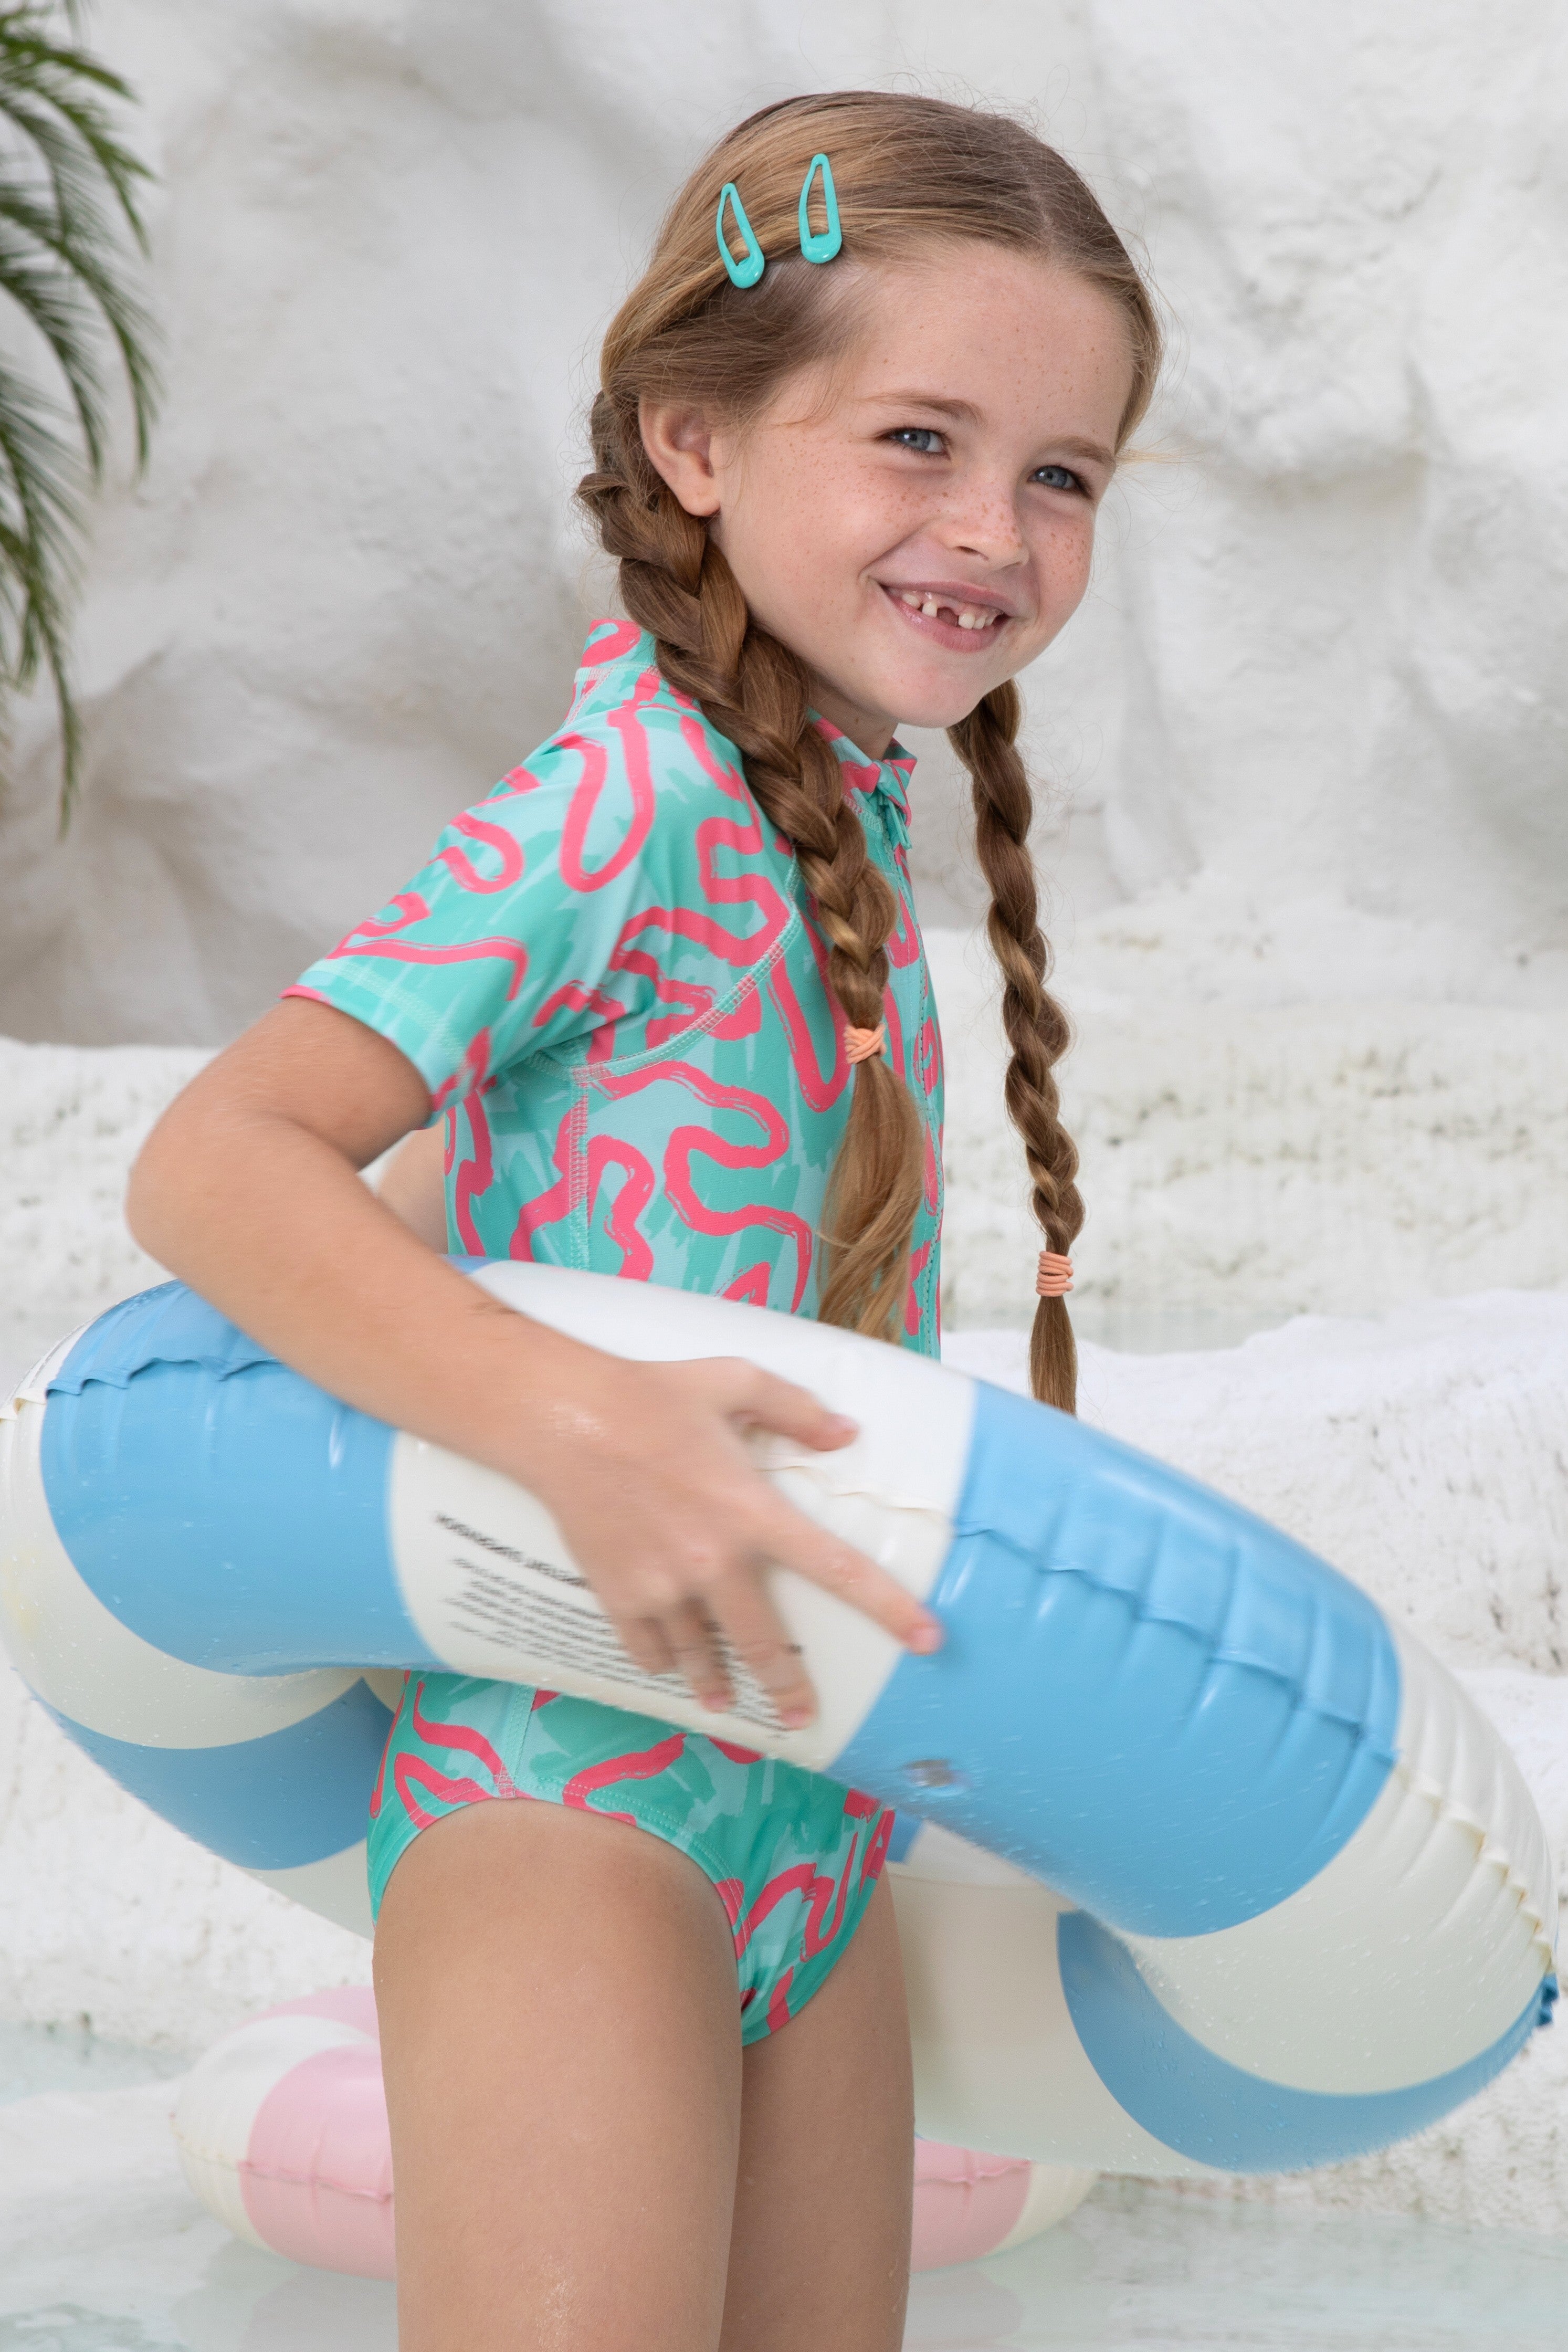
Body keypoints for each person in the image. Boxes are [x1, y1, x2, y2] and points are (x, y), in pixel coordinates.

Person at [129, 89, 1159, 2352]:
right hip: (568, 1797)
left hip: (809, 1812)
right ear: (696, 441)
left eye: (1063, 473)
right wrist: (574, 1425)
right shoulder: (624, 800)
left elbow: (493, 1189)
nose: (991, 528)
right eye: (918, 440)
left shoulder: (834, 827)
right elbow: (218, 1159)